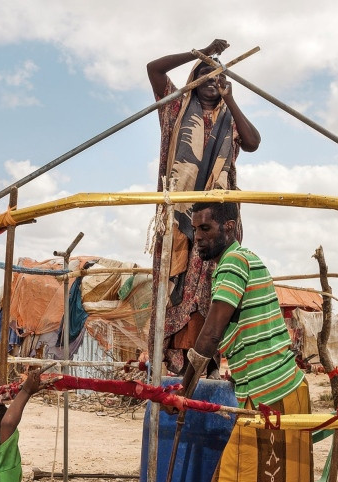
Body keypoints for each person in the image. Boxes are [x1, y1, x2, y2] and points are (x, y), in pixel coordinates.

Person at [175, 201, 312, 482]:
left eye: (206, 229)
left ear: (230, 226)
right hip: (267, 395)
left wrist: (183, 391)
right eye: (195, 230)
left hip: (275, 396)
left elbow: (212, 332)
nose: (198, 237)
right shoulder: (234, 263)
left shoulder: (234, 263)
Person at [147, 39, 261, 375]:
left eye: (217, 78)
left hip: (217, 222)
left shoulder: (229, 119)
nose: (211, 82)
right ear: (193, 80)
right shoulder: (174, 108)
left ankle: (206, 364)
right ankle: (171, 365)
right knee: (175, 286)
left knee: (213, 290)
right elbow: (154, 68)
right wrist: (201, 51)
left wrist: (231, 98)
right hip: (177, 221)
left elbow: (253, 143)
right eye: (203, 76)